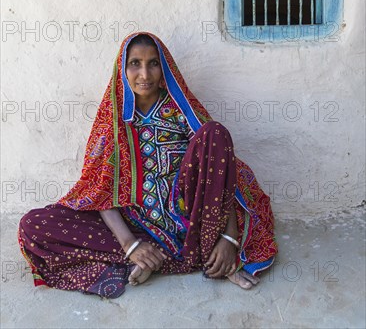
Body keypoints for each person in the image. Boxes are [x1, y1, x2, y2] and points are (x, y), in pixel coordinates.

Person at [18, 31, 277, 298]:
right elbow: (99, 191)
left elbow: (221, 174)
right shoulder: (112, 120)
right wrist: (130, 244)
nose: (145, 74)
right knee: (33, 225)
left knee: (215, 133)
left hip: (191, 225)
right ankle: (143, 257)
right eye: (135, 64)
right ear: (123, 68)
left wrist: (229, 240)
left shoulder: (180, 108)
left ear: (163, 67)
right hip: (138, 227)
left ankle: (214, 256)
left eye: (153, 63)